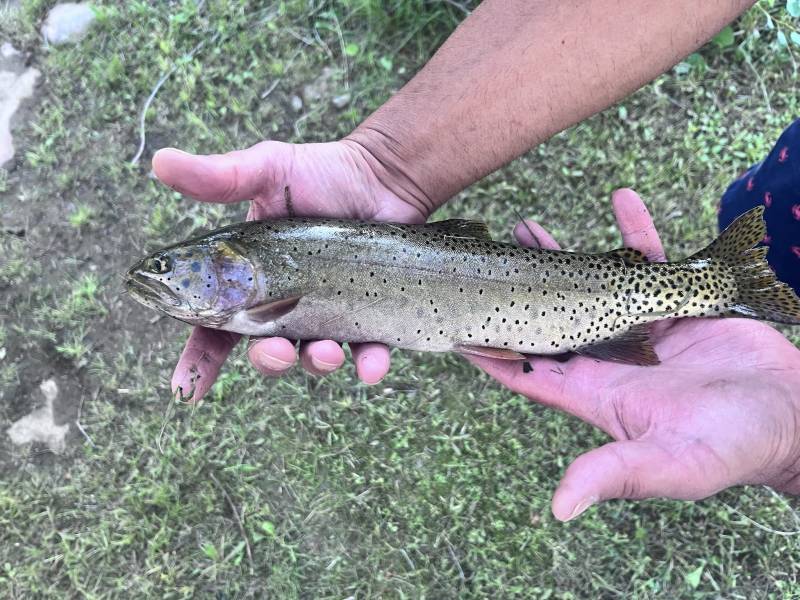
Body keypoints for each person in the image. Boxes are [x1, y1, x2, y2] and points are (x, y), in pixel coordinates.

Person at [150, 0, 800, 520]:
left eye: (167, 274)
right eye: (165, 275)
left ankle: (720, 282)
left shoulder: (262, 293)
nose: (160, 282)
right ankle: (727, 280)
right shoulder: (258, 278)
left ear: (225, 270)